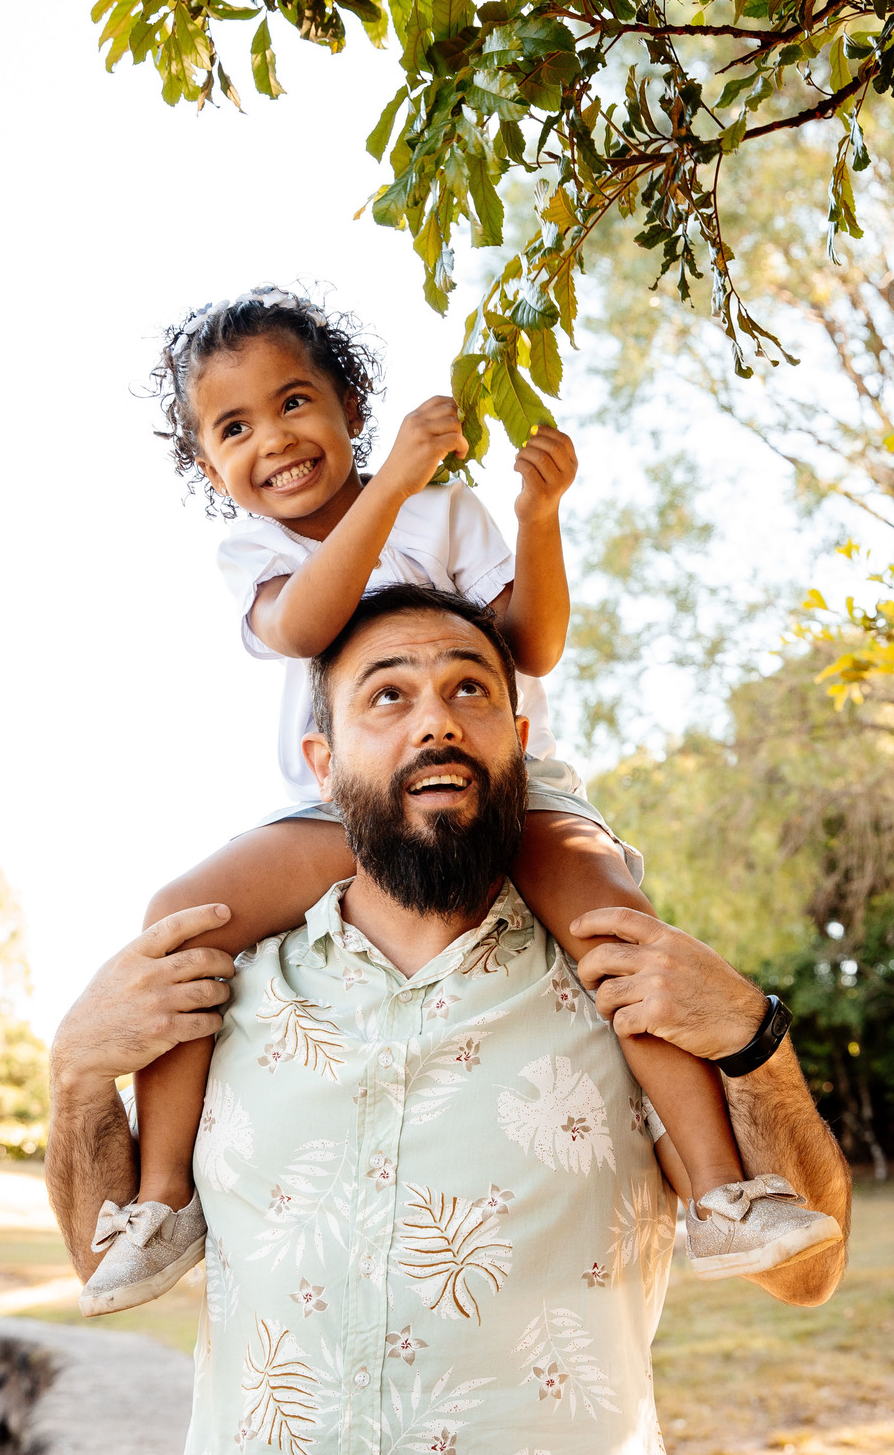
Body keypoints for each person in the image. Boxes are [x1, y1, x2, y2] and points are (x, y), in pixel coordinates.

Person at [78, 286, 830, 1316]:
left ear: (350, 402)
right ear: (211, 467)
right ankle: (162, 1203)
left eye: (295, 402)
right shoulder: (258, 552)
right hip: (345, 808)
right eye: (234, 427)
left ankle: (721, 1192)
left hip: (510, 789)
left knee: (614, 921)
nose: (275, 439)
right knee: (183, 916)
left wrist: (536, 517)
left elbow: (532, 644)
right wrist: (393, 477)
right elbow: (307, 626)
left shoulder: (444, 512)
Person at [46, 588, 850, 1455]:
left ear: (520, 739)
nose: (437, 721)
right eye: (387, 695)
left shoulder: (629, 988)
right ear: (321, 763)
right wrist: (78, 1076)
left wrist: (752, 1039)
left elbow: (805, 1276)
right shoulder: (216, 992)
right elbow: (102, 1267)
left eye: (470, 690)